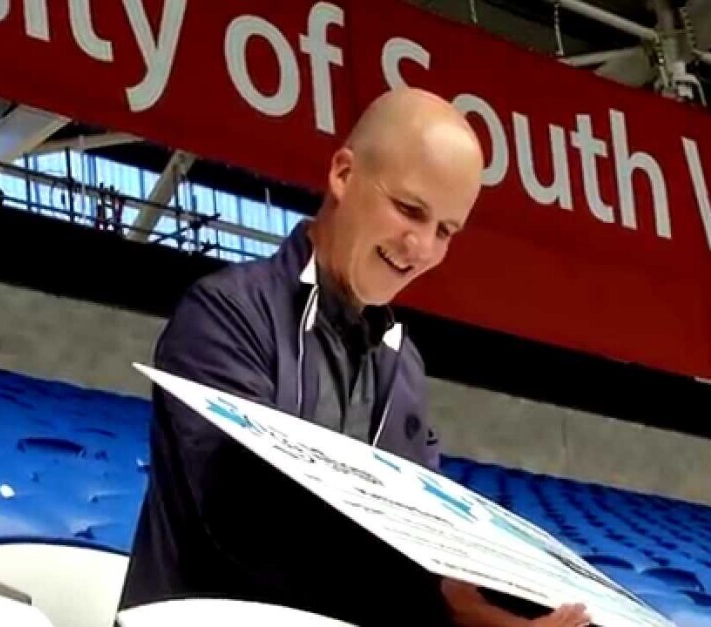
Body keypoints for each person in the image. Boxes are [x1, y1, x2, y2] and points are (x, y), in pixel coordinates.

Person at [118, 87, 592, 627]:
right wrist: (429, 596)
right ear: (343, 174)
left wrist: (476, 613)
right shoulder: (226, 315)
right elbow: (250, 527)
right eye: (409, 210)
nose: (421, 248)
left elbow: (418, 559)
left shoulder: (404, 368)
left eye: (445, 231)